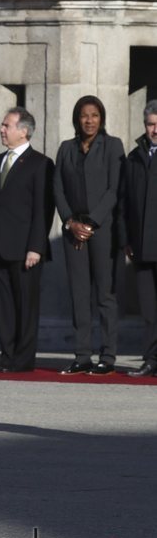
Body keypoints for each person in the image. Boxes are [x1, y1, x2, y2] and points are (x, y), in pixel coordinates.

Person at [0, 107, 54, 373]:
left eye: (7, 125)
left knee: (25, 306)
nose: (2, 129)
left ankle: (23, 359)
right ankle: (6, 355)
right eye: (2, 125)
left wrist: (36, 247)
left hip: (25, 250)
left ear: (24, 130)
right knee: (5, 306)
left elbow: (43, 210)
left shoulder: (40, 164)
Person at [54, 96, 124, 376]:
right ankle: (82, 355)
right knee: (79, 295)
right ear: (76, 119)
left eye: (94, 115)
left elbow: (114, 189)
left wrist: (92, 223)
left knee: (105, 295)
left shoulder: (113, 146)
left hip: (103, 230)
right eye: (84, 115)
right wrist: (70, 221)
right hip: (74, 232)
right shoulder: (66, 149)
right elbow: (58, 187)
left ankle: (107, 356)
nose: (89, 120)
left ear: (102, 118)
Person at [121, 100, 157, 377]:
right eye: (150, 124)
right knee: (149, 310)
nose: (154, 129)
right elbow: (123, 204)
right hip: (142, 247)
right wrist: (127, 240)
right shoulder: (133, 158)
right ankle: (151, 359)